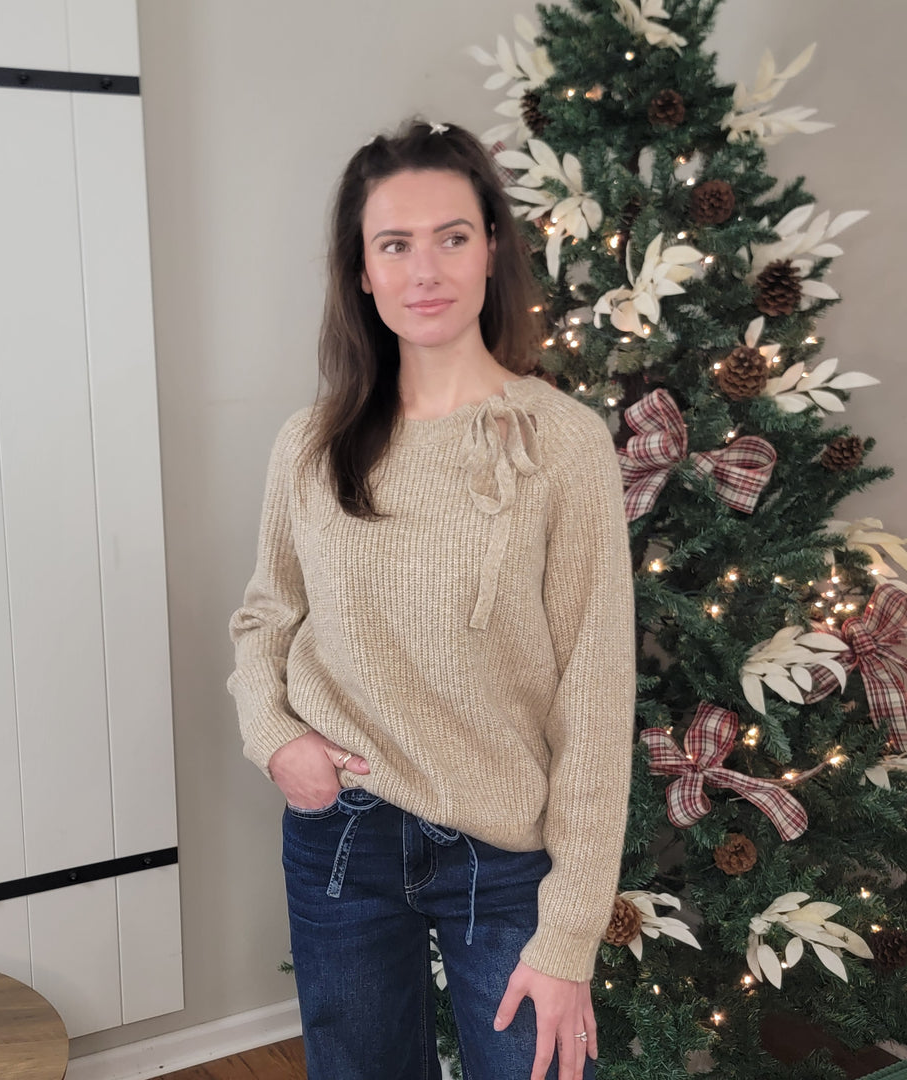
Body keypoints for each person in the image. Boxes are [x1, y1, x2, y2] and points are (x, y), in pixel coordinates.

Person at [227, 118, 635, 1080]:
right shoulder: (313, 441)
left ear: (492, 248)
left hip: (504, 851)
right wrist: (275, 736)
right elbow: (264, 618)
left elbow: (596, 691)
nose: (426, 269)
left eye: (452, 236)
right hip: (344, 838)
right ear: (361, 272)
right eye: (394, 244)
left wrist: (571, 930)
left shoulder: (563, 444)